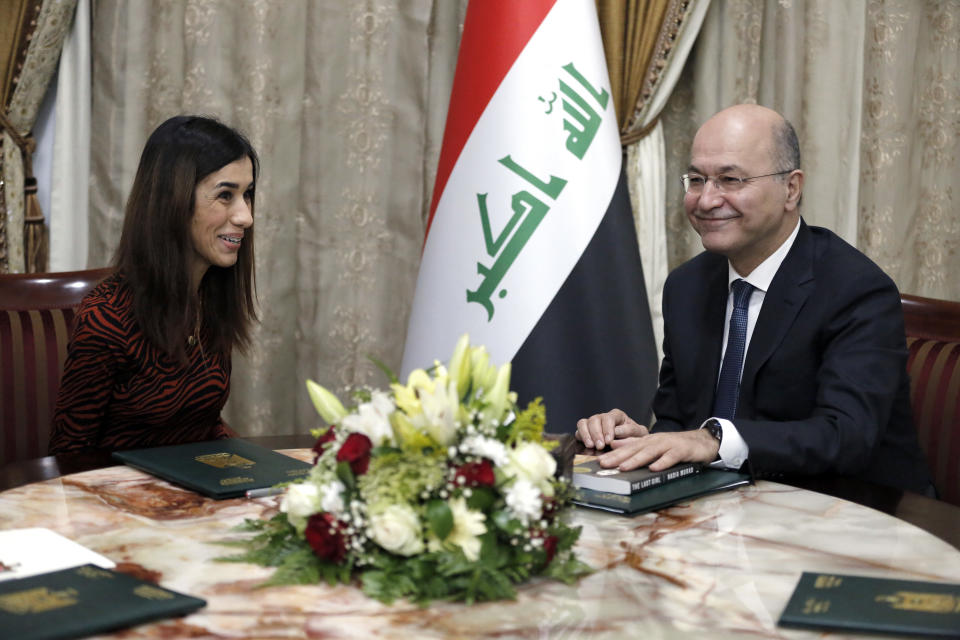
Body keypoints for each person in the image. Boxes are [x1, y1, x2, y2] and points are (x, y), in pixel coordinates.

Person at [576, 104, 932, 494]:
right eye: (696, 179)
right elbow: (678, 424)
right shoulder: (687, 287)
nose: (706, 199)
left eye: (730, 179)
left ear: (791, 189)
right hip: (723, 512)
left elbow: (845, 437)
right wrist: (641, 441)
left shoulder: (855, 290)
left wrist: (711, 440)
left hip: (852, 515)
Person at [48, 116, 258, 454]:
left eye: (247, 195)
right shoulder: (107, 317)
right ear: (172, 202)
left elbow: (202, 427)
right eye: (225, 195)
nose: (245, 216)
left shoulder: (210, 297)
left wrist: (255, 468)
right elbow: (69, 455)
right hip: (118, 500)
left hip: (193, 497)